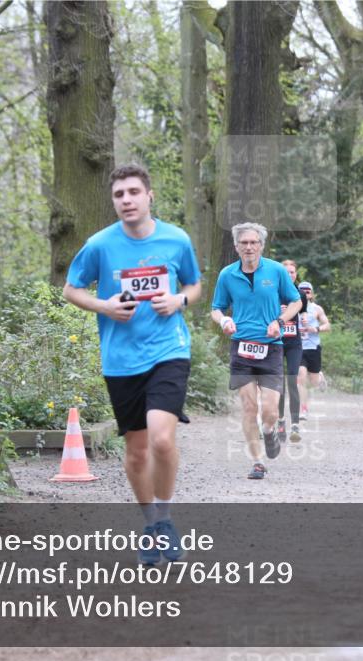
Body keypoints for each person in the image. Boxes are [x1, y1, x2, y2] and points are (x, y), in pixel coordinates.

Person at [63, 163, 202, 565]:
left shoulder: (176, 240)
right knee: (138, 451)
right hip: (121, 359)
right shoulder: (100, 245)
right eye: (119, 194)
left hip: (168, 350)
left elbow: (193, 284)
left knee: (161, 439)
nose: (126, 200)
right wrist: (104, 305)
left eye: (133, 192)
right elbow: (71, 289)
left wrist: (180, 300)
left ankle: (167, 516)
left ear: (149, 196)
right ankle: (152, 525)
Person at [210, 222, 302, 480]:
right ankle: (257, 461)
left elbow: (296, 301)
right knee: (249, 408)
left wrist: (280, 322)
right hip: (241, 348)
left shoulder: (275, 271)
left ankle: (270, 430)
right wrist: (224, 321)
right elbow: (216, 307)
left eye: (254, 242)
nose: (249, 247)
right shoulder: (227, 275)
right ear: (237, 246)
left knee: (270, 411)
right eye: (244, 243)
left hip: (271, 347)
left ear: (261, 245)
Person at [276, 259, 307, 443]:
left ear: (296, 275)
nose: (289, 275)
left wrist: (302, 318)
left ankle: (295, 424)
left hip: (294, 343)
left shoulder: (300, 294)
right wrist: (277, 311)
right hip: (277, 342)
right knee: (279, 384)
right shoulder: (273, 291)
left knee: (292, 380)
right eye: (286, 272)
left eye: (292, 272)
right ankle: (280, 421)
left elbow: (303, 313)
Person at [297, 281, 330, 418]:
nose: (305, 293)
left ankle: (320, 377)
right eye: (302, 290)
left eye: (308, 291)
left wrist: (315, 329)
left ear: (311, 294)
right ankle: (303, 409)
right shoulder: (292, 308)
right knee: (301, 377)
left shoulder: (317, 309)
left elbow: (327, 325)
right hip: (298, 348)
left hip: (313, 348)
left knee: (314, 381)